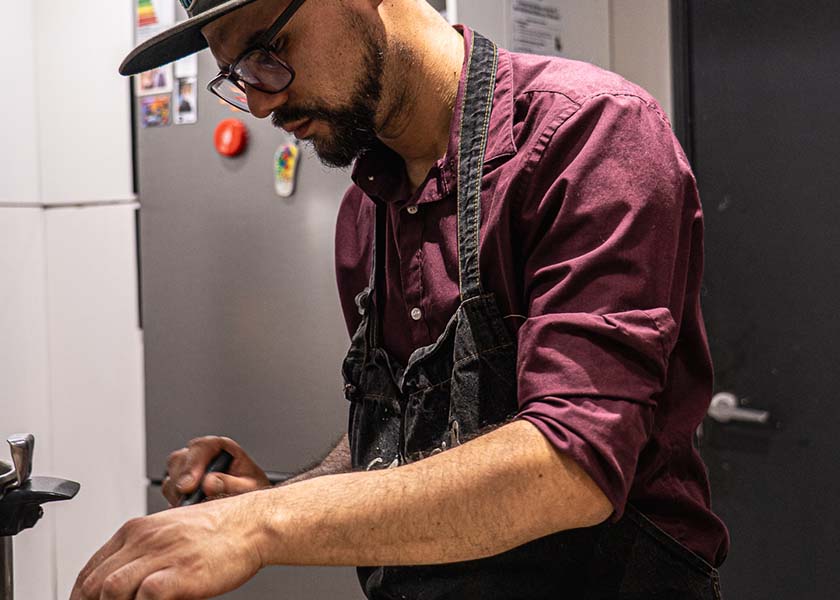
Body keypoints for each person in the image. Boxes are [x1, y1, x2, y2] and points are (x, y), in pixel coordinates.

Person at [72, 0, 729, 598]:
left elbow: (572, 466)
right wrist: (273, 495)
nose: (263, 102)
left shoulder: (588, 134)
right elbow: (413, 442)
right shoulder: (364, 213)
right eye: (238, 75)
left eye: (267, 49)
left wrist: (263, 524)